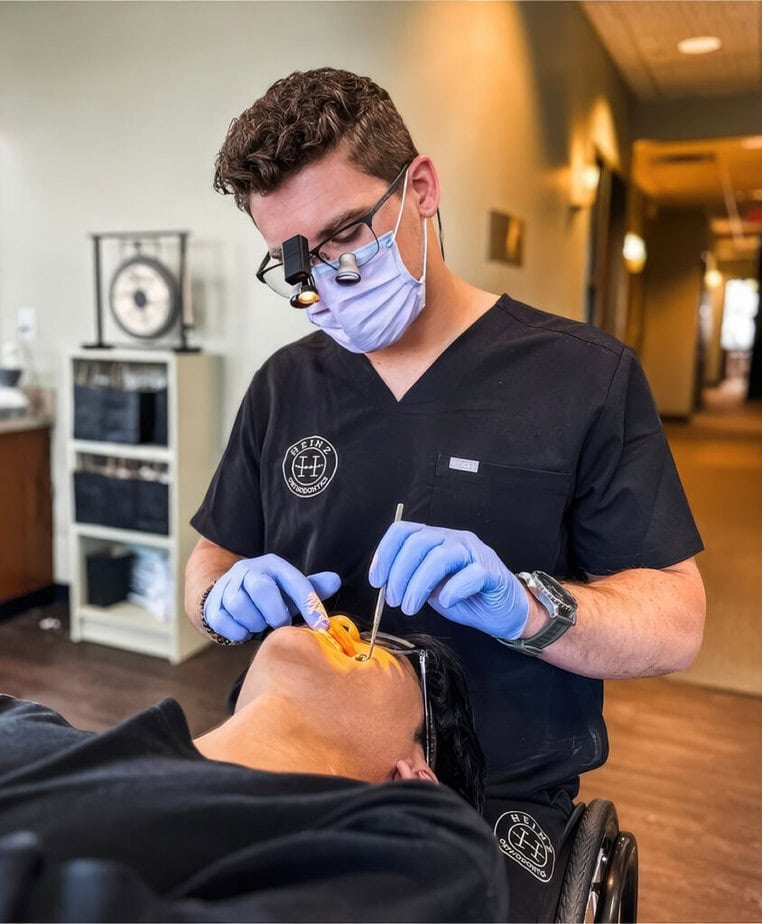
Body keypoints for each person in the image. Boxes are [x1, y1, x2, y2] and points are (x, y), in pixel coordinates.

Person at [185, 67, 706, 920]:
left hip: (497, 788)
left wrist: (529, 608)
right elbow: (212, 556)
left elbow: (677, 621)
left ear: (420, 189)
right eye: (294, 261)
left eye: (345, 234)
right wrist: (218, 598)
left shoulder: (583, 379)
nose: (324, 281)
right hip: (300, 759)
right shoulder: (285, 386)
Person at [0, 616, 507, 922]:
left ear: (416, 783)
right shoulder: (22, 719)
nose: (342, 625)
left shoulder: (431, 864)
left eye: (389, 652)